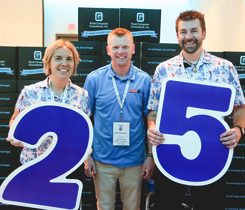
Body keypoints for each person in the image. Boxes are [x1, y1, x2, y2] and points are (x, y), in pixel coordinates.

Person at [147, 10, 245, 210]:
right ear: (177, 36)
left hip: (211, 157)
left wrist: (238, 130)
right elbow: (153, 111)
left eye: (194, 31)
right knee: (167, 205)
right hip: (170, 153)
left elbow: (240, 108)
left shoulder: (225, 68)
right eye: (183, 32)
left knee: (209, 206)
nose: (188, 36)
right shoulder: (164, 69)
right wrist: (151, 127)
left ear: (204, 33)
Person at [6, 39, 90, 209]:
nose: (64, 63)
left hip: (68, 170)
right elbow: (15, 119)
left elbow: (84, 132)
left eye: (69, 59)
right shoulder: (30, 92)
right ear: (48, 62)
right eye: (58, 58)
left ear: (74, 64)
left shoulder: (82, 95)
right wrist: (14, 134)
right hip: (33, 168)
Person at [83, 28, 154, 210]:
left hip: (135, 162)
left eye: (125, 47)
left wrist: (150, 156)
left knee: (133, 207)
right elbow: (84, 120)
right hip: (102, 161)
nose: (120, 52)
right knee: (104, 207)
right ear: (108, 50)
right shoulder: (94, 79)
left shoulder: (144, 80)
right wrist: (87, 156)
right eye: (115, 47)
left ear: (133, 49)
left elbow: (152, 121)